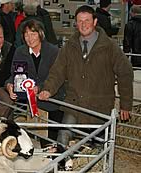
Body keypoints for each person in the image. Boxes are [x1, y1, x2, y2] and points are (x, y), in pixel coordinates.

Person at [39, 5, 133, 146]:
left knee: (100, 146)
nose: (83, 25)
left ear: (95, 22)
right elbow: (57, 71)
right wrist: (48, 89)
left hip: (100, 106)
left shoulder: (109, 46)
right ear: (76, 23)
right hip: (74, 104)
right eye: (80, 21)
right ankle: (61, 166)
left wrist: (125, 104)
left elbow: (125, 72)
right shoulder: (69, 46)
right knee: (63, 137)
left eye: (87, 20)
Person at [5, 19, 65, 139]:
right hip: (33, 102)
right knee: (38, 138)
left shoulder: (54, 51)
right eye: (26, 34)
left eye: (33, 34)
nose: (29, 38)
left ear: (41, 34)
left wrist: (39, 88)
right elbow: (16, 75)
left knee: (52, 138)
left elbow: (57, 76)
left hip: (53, 100)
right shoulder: (20, 51)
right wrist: (9, 86)